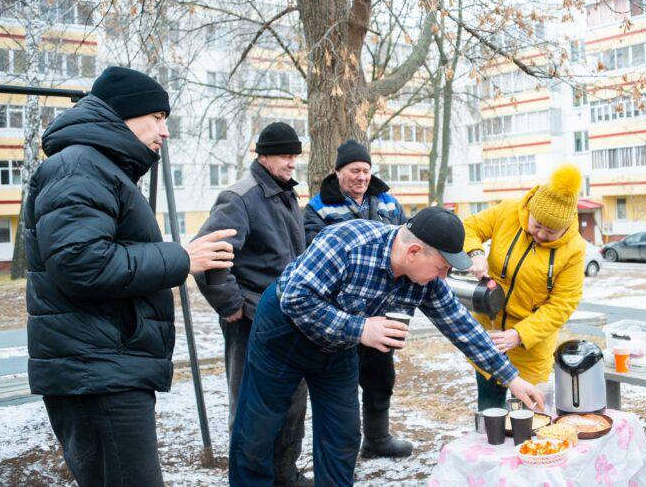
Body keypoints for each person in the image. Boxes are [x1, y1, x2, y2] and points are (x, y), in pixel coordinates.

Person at [25, 66, 235, 486]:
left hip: (106, 367)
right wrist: (181, 259)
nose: (165, 131)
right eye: (157, 117)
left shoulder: (98, 167)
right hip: (96, 372)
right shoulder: (79, 167)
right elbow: (81, 264)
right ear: (122, 114)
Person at [229, 207, 544, 486]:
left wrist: (512, 378)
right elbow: (297, 298)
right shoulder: (346, 243)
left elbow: (460, 325)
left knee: (342, 436)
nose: (444, 275)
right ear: (414, 252)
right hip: (285, 332)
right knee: (259, 429)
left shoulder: (427, 281)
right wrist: (361, 327)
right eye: (442, 267)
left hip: (338, 346)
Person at [193, 122, 310, 486]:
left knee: (293, 401)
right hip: (251, 320)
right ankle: (253, 480)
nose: (292, 163)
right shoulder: (240, 197)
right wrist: (231, 305)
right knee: (252, 408)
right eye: (285, 156)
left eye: (295, 156)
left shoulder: (285, 193)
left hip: (289, 318)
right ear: (263, 155)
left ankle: (284, 474)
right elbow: (209, 253)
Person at [303, 139, 412, 458]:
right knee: (342, 382)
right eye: (354, 170)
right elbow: (312, 250)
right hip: (340, 314)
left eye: (365, 170)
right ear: (338, 172)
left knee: (381, 377)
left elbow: (406, 241)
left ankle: (377, 440)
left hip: (382, 309)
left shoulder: (388, 202)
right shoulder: (318, 207)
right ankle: (342, 450)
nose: (361, 176)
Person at [464, 164, 586, 410]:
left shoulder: (574, 249)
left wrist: (520, 335)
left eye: (550, 231)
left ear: (566, 226)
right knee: (490, 409)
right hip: (490, 334)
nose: (540, 235)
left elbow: (563, 304)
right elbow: (468, 227)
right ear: (530, 209)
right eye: (537, 225)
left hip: (530, 345)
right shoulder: (508, 212)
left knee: (527, 413)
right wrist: (475, 253)